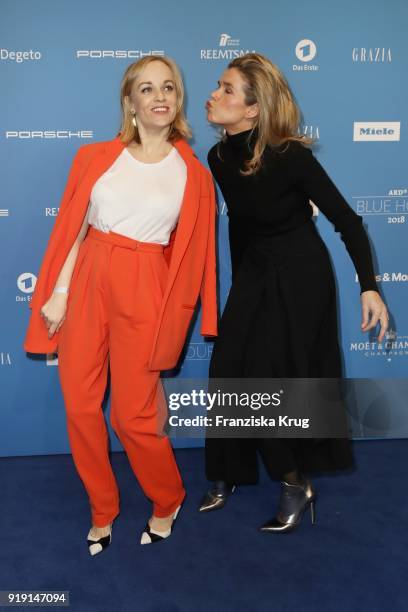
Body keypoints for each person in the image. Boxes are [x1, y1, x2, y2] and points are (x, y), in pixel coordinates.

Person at [24, 56, 218, 553]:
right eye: (147, 88)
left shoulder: (193, 174)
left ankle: (167, 497)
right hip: (89, 278)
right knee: (81, 406)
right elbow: (75, 230)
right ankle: (102, 509)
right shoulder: (94, 157)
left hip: (146, 284)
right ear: (129, 101)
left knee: (133, 415)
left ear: (178, 100)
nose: (159, 96)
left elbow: (193, 257)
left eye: (169, 87)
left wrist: (176, 317)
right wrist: (60, 292)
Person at [199, 52, 389, 533]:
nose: (213, 95)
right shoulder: (218, 156)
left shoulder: (290, 156)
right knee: (226, 366)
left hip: (302, 275)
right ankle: (228, 469)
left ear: (252, 108)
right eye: (218, 85)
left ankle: (293, 483)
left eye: (226, 89)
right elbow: (239, 227)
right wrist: (240, 289)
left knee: (268, 381)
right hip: (257, 272)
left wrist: (370, 288)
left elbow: (347, 221)